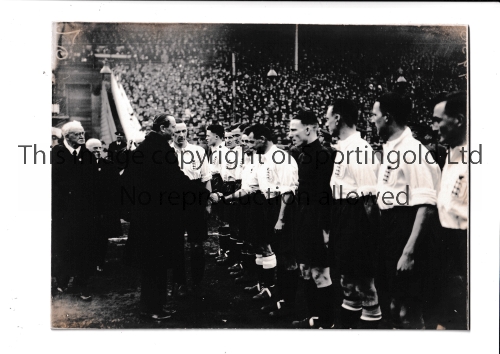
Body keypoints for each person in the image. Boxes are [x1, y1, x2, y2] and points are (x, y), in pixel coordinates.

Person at [121, 114, 212, 320]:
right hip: (158, 220)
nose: (175, 131)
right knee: (157, 265)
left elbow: (127, 180)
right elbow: (177, 181)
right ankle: (154, 308)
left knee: (150, 266)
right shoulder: (161, 150)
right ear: (163, 128)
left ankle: (151, 306)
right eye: (173, 127)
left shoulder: (145, 148)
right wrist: (205, 194)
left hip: (146, 218)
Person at [371, 92, 441, 329]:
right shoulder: (391, 147)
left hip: (407, 228)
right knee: (392, 304)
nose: (372, 120)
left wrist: (409, 252)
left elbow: (426, 205)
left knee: (407, 311)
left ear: (388, 117)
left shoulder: (412, 150)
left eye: (375, 115)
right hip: (390, 229)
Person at [221, 124, 298, 310]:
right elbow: (251, 187)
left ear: (262, 139)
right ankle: (268, 288)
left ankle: (285, 301)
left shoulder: (281, 158)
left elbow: (288, 192)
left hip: (282, 206)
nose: (248, 144)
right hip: (267, 204)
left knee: (285, 255)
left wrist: (281, 219)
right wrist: (226, 198)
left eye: (252, 140)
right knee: (266, 245)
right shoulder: (262, 159)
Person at [326, 100, 382, 329]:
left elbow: (369, 196)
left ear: (338, 118)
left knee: (363, 281)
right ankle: (347, 329)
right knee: (346, 280)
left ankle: (370, 331)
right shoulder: (344, 147)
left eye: (328, 117)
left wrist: (369, 235)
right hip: (343, 214)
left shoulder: (359, 148)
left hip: (356, 216)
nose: (326, 122)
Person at [288, 110, 335, 329]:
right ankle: (314, 318)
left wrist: (325, 229)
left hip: (317, 220)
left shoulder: (325, 155)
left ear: (308, 129)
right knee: (305, 270)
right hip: (303, 218)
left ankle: (326, 323)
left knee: (320, 274)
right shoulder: (299, 153)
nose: (290, 134)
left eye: (293, 130)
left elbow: (326, 195)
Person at [432, 91, 468, 329]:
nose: (435, 127)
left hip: (465, 244)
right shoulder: (450, 154)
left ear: (459, 119)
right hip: (446, 244)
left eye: (439, 120)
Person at [51, 121, 96, 301]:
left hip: (84, 213)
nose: (82, 136)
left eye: (83, 133)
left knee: (84, 248)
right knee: (63, 246)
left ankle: (82, 284)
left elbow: (94, 184)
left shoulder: (87, 155)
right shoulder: (56, 154)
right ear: (66, 136)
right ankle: (61, 281)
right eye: (77, 134)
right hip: (63, 212)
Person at [171, 119, 212, 298]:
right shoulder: (166, 152)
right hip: (173, 200)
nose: (180, 135)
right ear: (171, 133)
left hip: (195, 198)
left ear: (188, 132)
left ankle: (197, 282)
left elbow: (206, 178)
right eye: (177, 132)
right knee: (175, 243)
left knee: (197, 244)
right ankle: (179, 282)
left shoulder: (198, 151)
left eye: (183, 131)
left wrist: (208, 203)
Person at [85, 138, 122, 273]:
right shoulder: (81, 165)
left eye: (99, 148)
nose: (98, 151)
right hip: (88, 209)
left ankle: (99, 263)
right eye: (94, 148)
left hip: (105, 209)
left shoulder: (109, 165)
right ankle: (88, 263)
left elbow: (116, 186)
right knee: (87, 237)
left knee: (102, 237)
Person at [205, 124, 229, 258]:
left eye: (208, 135)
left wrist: (219, 192)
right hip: (216, 186)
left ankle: (226, 252)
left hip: (221, 188)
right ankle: (223, 250)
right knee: (220, 220)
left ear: (217, 136)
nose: (206, 138)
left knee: (224, 220)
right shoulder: (214, 150)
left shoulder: (223, 151)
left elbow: (222, 175)